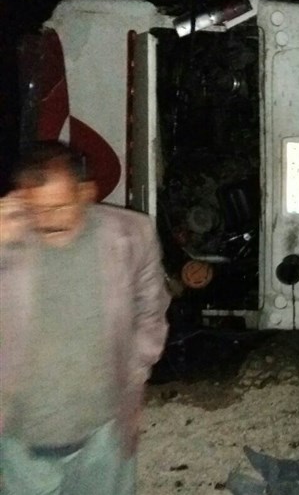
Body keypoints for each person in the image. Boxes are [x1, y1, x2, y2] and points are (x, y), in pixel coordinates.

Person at [0, 140, 171, 494]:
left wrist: (136, 370)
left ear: (86, 193)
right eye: (35, 209)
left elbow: (152, 309)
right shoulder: (9, 237)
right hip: (21, 436)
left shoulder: (131, 235)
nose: (45, 220)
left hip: (104, 431)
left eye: (58, 207)